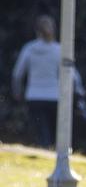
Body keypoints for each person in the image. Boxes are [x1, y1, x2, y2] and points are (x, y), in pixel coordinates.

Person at [11, 15, 81, 148]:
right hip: (55, 97)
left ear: (36, 31)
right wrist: (78, 92)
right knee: (56, 133)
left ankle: (44, 148)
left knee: (42, 133)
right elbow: (74, 76)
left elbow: (17, 74)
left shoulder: (29, 48)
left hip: (34, 96)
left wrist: (17, 92)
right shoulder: (59, 50)